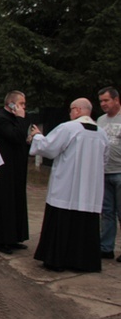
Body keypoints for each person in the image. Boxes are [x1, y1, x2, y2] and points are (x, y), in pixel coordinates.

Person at [29, 98, 108, 272]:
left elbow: (49, 148)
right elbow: (105, 158)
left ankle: (57, 260)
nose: (70, 113)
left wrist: (37, 136)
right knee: (85, 225)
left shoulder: (68, 128)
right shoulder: (101, 133)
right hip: (90, 189)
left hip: (67, 186)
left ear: (78, 110)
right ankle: (84, 262)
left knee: (62, 220)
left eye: (71, 110)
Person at [0, 91, 32, 254]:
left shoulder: (14, 119)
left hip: (16, 168)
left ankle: (14, 237)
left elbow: (21, 138)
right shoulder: (1, 119)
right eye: (21, 104)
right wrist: (21, 119)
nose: (24, 107)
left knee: (16, 201)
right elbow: (15, 136)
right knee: (4, 202)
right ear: (11, 104)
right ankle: (1, 239)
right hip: (4, 169)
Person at [97, 86, 121, 262]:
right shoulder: (100, 120)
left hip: (120, 172)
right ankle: (106, 248)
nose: (103, 104)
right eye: (101, 101)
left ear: (116, 100)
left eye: (106, 100)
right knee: (107, 212)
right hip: (105, 172)